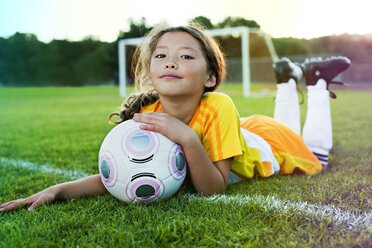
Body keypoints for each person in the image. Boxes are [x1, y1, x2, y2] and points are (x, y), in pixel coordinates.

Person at [0, 23, 350, 212]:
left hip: (269, 144)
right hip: (242, 133)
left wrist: (186, 137)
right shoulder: (145, 115)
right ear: (150, 72)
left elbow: (212, 189)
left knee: (315, 153)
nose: (171, 62)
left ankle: (314, 83)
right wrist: (59, 190)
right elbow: (121, 173)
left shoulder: (220, 105)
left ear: (210, 78)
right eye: (162, 55)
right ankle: (288, 81)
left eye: (185, 56)